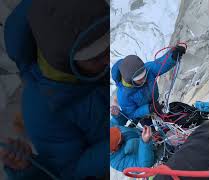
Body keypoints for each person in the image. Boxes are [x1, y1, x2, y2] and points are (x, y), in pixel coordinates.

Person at [3, 0, 108, 179]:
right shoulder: (43, 110)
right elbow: (71, 170)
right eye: (96, 58)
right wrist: (113, 143)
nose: (108, 60)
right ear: (66, 62)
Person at [111, 45, 186, 126]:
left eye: (144, 75)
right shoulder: (123, 96)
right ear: (130, 81)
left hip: (155, 103)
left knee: (166, 120)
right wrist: (148, 109)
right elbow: (131, 114)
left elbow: (160, 64)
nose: (144, 79)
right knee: (153, 131)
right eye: (139, 79)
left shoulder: (147, 69)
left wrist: (173, 56)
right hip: (143, 116)